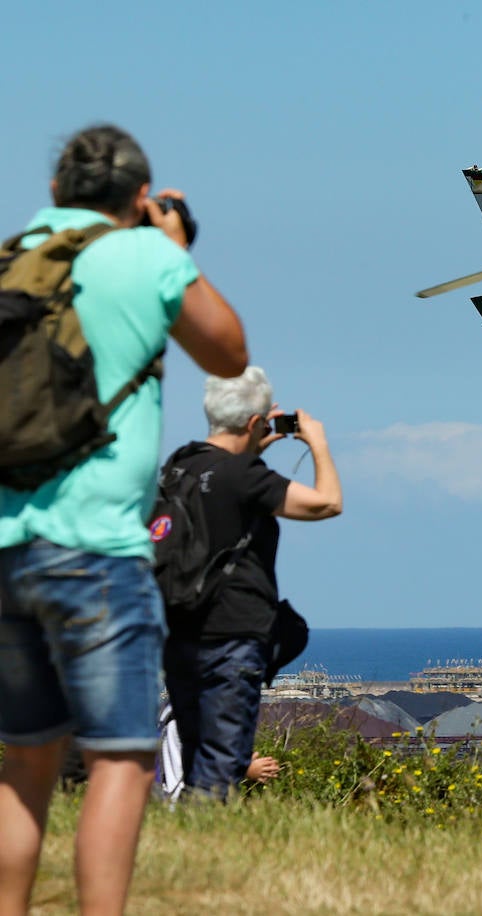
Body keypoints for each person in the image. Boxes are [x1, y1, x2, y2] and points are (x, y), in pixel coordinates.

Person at [0, 124, 248, 915]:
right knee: (122, 758)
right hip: (99, 548)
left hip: (7, 545)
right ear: (140, 198)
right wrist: (172, 246)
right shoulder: (145, 254)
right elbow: (228, 354)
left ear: (53, 193)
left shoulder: (12, 257)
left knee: (24, 760)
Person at [161, 367, 342, 800]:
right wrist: (317, 443)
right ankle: (204, 853)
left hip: (181, 631)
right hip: (233, 633)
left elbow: (222, 501)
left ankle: (185, 844)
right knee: (221, 764)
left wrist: (250, 450)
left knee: (194, 758)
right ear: (254, 422)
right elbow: (326, 503)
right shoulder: (245, 478)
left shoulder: (180, 466)